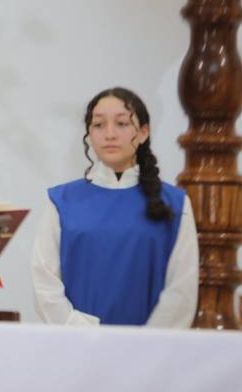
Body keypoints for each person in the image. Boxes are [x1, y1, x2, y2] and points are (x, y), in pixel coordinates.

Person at [31, 87, 198, 327]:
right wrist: (83, 333)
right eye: (99, 125)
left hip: (149, 354)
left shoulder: (174, 204)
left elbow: (181, 290)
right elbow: (44, 284)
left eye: (121, 123)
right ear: (89, 134)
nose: (109, 134)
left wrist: (144, 345)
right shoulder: (62, 201)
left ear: (142, 133)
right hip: (77, 348)